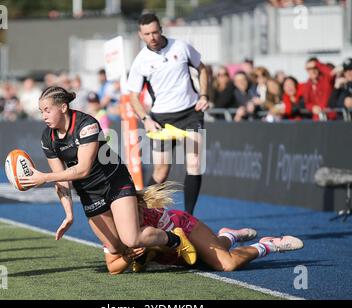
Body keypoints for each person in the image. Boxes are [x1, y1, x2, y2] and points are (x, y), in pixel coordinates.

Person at [18, 86, 197, 266]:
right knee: (116, 249)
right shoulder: (47, 137)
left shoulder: (86, 124)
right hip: (89, 192)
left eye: (47, 111)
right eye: (41, 112)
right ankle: (144, 254)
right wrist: (69, 214)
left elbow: (83, 169)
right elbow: (61, 178)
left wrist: (44, 177)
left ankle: (176, 239)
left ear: (63, 107)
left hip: (115, 182)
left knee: (132, 239)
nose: (44, 117)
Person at [104, 182, 304, 275]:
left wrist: (147, 247)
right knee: (205, 260)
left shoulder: (145, 213)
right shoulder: (109, 225)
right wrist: (130, 256)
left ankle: (267, 245)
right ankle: (228, 236)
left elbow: (177, 241)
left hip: (181, 229)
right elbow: (112, 268)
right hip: (172, 252)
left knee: (226, 264)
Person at [127, 13, 210, 215]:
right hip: (161, 119)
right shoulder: (141, 61)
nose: (152, 37)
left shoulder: (181, 47)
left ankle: (189, 216)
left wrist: (204, 94)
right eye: (147, 34)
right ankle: (144, 212)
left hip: (190, 112)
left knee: (194, 163)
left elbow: (203, 68)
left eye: (155, 32)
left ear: (161, 30)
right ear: (140, 35)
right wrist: (145, 119)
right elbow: (133, 96)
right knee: (161, 171)